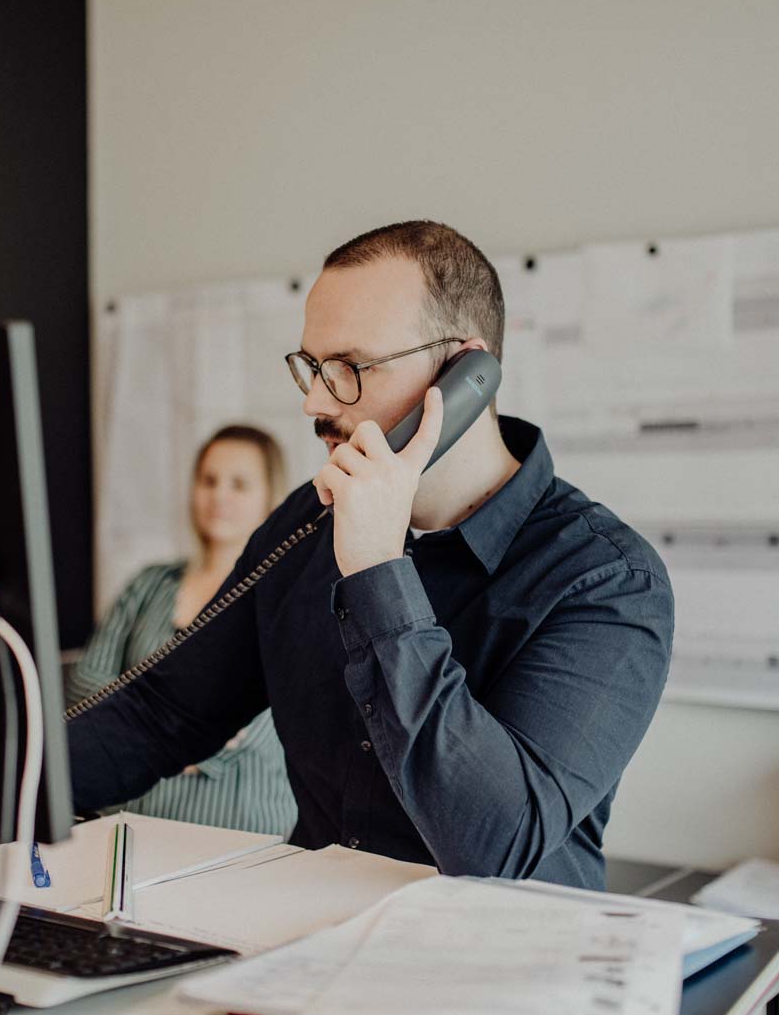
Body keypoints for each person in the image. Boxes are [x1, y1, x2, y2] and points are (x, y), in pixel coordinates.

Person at [69, 221, 672, 889]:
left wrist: (380, 572)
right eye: (313, 368)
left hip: (502, 969)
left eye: (350, 369)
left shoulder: (607, 580)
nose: (315, 403)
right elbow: (165, 714)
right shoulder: (308, 521)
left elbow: (494, 845)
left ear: (466, 373)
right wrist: (2, 789)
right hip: (311, 946)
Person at [66, 425, 298, 836]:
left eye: (239, 485)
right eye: (209, 481)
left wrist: (170, 739)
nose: (219, 496)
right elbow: (88, 684)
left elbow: (276, 715)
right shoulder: (151, 584)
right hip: (133, 821)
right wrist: (153, 734)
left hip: (243, 826)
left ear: (270, 499)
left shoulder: (285, 595)